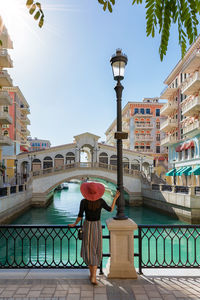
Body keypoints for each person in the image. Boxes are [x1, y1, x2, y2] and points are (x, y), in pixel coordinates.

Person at [68, 182, 120, 285]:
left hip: (87, 226)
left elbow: (79, 216)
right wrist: (115, 198)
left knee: (88, 249)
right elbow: (110, 210)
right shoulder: (100, 201)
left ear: (86, 192)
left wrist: (74, 224)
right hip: (97, 226)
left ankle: (92, 275)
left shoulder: (83, 202)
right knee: (96, 249)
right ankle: (93, 276)